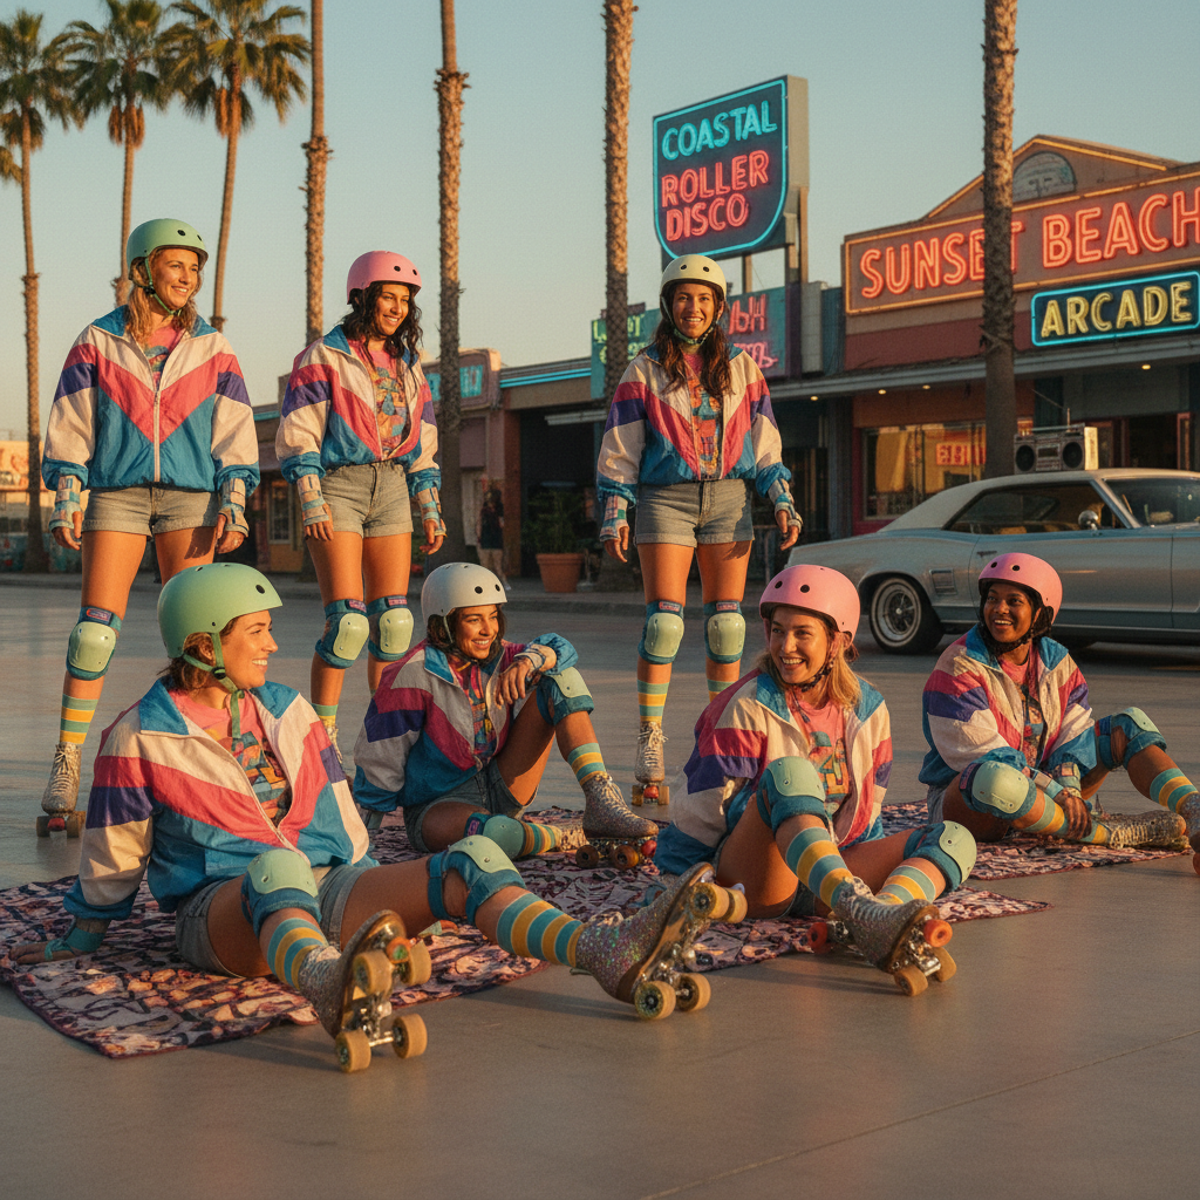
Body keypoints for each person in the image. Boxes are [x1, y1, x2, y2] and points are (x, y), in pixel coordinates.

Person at [10, 564, 747, 1063]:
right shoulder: (138, 735)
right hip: (222, 912)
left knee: (471, 861)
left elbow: (343, 816)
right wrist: (80, 932)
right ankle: (330, 983)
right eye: (255, 630)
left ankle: (600, 953)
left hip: (327, 882)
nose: (273, 641)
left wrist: (369, 889)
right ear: (204, 644)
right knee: (274, 867)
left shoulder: (287, 709)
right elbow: (113, 855)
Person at [654, 564, 978, 988]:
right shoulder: (747, 706)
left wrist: (876, 872)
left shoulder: (869, 709)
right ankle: (860, 911)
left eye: (801, 633)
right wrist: (674, 887)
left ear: (838, 642)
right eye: (776, 630)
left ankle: (881, 917)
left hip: (829, 873)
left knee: (953, 838)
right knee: (791, 775)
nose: (784, 646)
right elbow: (698, 811)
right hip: (757, 878)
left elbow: (868, 813)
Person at [38, 218, 257, 830]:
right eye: (175, 264)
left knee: (197, 637)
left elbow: (235, 429)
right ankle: (68, 760)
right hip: (118, 494)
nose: (188, 277)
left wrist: (235, 496)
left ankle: (203, 761)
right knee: (94, 633)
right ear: (142, 270)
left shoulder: (214, 348)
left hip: (192, 499)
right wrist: (67, 491)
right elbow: (72, 420)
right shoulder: (97, 342)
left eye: (195, 267)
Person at [596, 254, 803, 803]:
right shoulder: (643, 370)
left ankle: (720, 738)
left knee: (727, 628)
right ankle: (650, 742)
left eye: (705, 298)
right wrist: (616, 509)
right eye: (684, 297)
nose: (694, 308)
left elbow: (765, 444)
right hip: (665, 498)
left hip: (729, 499)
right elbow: (620, 447)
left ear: (718, 307)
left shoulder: (742, 368)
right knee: (664, 624)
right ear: (669, 304)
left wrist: (781, 498)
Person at [354, 561, 659, 859]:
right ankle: (565, 835)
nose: (489, 629)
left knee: (559, 675)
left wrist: (528, 661)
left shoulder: (504, 655)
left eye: (493, 616)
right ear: (442, 624)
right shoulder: (410, 674)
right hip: (438, 807)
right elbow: (380, 758)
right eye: (474, 619)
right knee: (495, 835)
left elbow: (562, 648)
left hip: (502, 784)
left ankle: (601, 799)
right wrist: (363, 838)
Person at [921, 551, 1197, 863]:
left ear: (1041, 613)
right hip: (971, 801)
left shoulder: (1056, 660)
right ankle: (1106, 834)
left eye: (1014, 601)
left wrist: (1070, 789)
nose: (998, 609)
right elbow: (985, 754)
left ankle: (1194, 811)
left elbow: (1074, 735)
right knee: (994, 776)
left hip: (1050, 789)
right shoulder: (958, 666)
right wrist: (1058, 792)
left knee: (1130, 725)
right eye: (992, 599)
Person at [276, 251, 446, 758]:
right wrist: (311, 501)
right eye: (387, 297)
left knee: (394, 623)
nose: (396, 308)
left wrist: (429, 505)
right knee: (347, 624)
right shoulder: (323, 357)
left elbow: (425, 437)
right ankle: (322, 744)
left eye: (404, 300)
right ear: (362, 297)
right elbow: (299, 432)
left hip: (393, 486)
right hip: (338, 487)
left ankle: (383, 744)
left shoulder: (408, 363)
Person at [476, 477, 506, 586]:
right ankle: (489, 583)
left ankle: (501, 582)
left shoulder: (497, 510)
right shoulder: (484, 511)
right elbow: (479, 524)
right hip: (488, 538)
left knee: (495, 565)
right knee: (487, 564)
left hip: (493, 538)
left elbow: (501, 523)